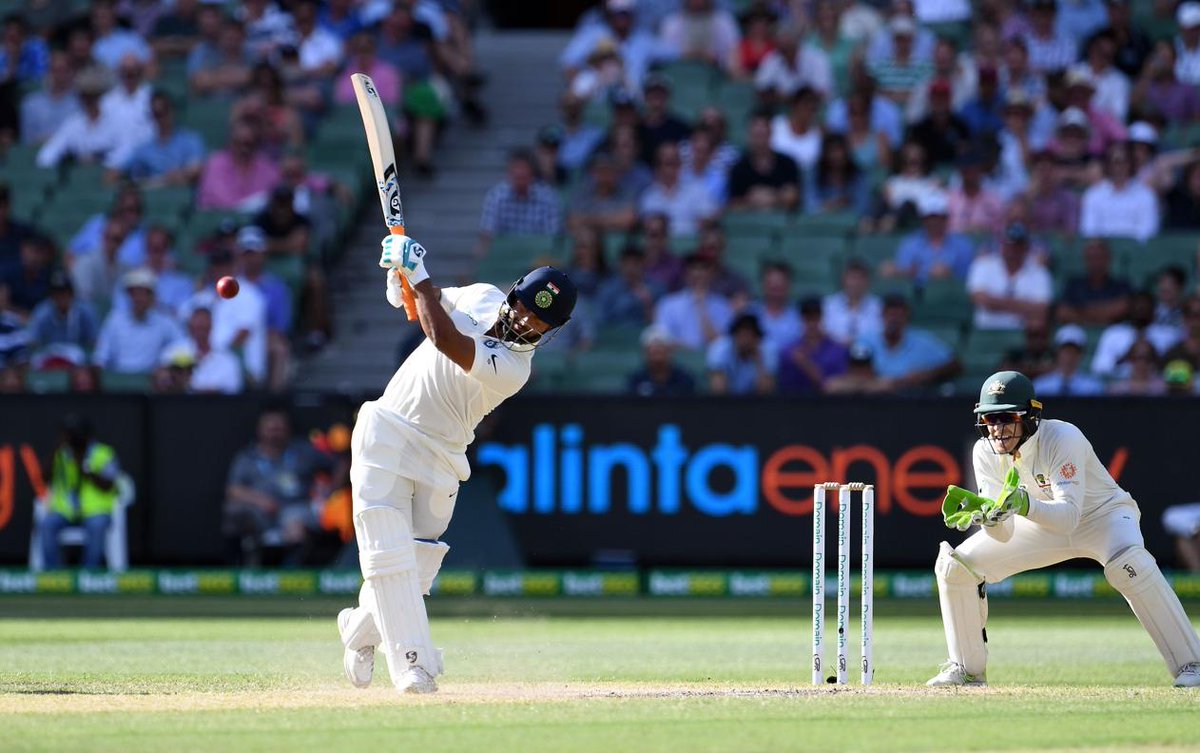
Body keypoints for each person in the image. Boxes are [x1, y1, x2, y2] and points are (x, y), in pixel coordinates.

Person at [335, 232, 578, 695]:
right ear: (513, 293)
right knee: (388, 553)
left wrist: (419, 273)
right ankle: (414, 667)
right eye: (525, 306)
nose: (525, 320)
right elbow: (422, 306)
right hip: (388, 429)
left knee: (418, 566)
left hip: (443, 455)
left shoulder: (514, 369)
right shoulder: (481, 295)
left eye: (539, 321)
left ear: (551, 331)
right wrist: (401, 281)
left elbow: (444, 337)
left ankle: (360, 629)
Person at [929, 370, 1200, 688]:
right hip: (1039, 524)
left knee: (1131, 565)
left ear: (1030, 417)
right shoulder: (984, 452)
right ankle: (967, 670)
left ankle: (1192, 663)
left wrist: (1024, 504)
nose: (998, 430)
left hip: (1104, 517)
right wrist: (990, 519)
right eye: (990, 419)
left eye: (1007, 418)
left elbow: (1069, 516)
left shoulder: (1062, 437)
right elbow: (1004, 535)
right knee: (957, 567)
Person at [223, 406, 331, 566]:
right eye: (271, 429)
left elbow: (340, 463)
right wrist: (260, 500)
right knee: (234, 511)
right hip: (261, 511)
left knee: (295, 521)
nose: (275, 433)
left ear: (288, 429)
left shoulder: (303, 452)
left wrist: (330, 490)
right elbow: (233, 490)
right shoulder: (248, 457)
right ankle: (248, 565)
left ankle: (291, 570)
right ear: (260, 430)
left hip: (295, 507)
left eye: (279, 429)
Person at [38, 415, 121, 569]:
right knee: (47, 524)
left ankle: (88, 574)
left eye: (75, 434)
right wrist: (56, 449)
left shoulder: (103, 453)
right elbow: (44, 478)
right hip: (65, 511)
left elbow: (109, 485)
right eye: (68, 434)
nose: (72, 438)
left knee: (97, 525)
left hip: (96, 510)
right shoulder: (62, 453)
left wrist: (87, 470)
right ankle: (54, 575)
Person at [706, 313, 775, 395]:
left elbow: (766, 392)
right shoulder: (720, 348)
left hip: (753, 400)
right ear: (734, 335)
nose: (746, 340)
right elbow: (718, 391)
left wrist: (758, 360)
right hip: (727, 400)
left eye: (750, 335)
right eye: (742, 335)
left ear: (757, 338)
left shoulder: (766, 350)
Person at [1031, 324, 1105, 396]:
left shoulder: (1093, 388)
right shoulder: (1040, 386)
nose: (1069, 356)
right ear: (1057, 352)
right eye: (1065, 351)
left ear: (1081, 354)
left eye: (1074, 351)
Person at [627, 324, 697, 397]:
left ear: (670, 352)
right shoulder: (635, 381)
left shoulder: (685, 380)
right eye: (653, 352)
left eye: (661, 350)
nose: (657, 357)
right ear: (645, 353)